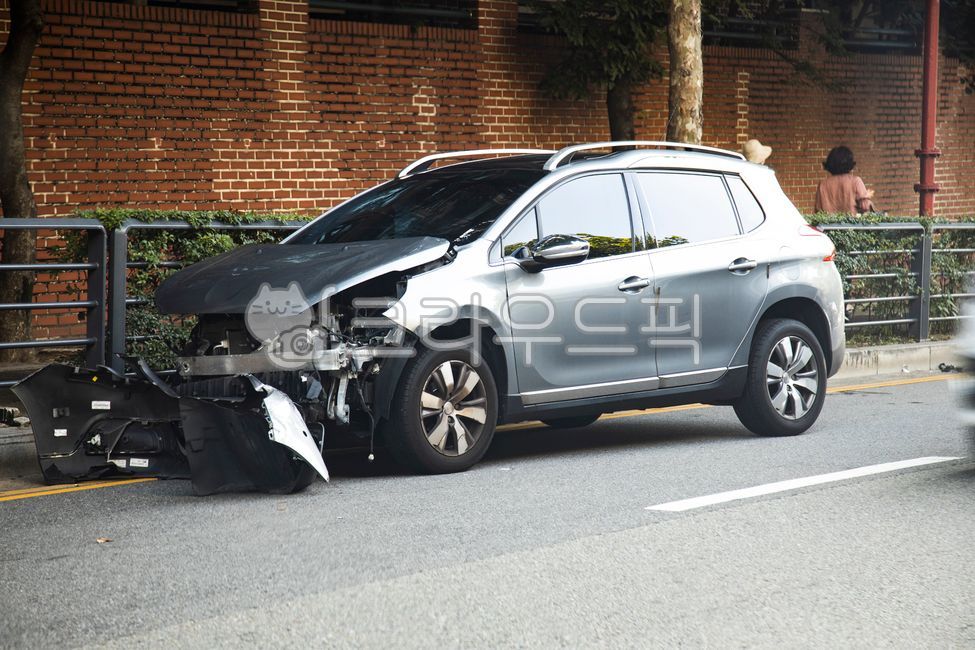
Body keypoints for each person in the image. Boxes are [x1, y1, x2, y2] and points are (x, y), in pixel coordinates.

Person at [815, 145, 876, 215]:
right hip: (850, 222)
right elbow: (865, 207)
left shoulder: (822, 184)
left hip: (828, 222)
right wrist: (866, 196)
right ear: (850, 163)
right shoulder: (856, 181)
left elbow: (818, 211)